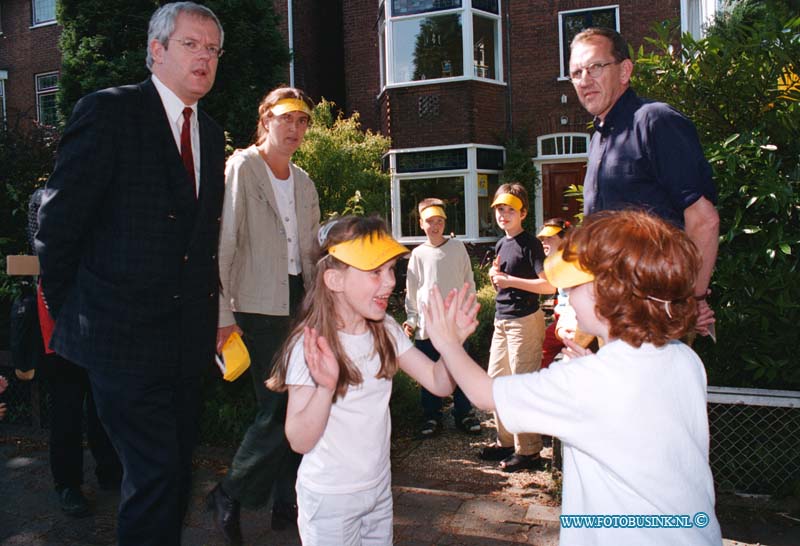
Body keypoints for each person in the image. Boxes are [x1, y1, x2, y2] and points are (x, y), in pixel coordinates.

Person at [34, 3, 226, 545]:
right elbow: (58, 224)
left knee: (176, 472)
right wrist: (76, 313)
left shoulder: (210, 133)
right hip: (118, 340)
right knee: (155, 473)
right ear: (156, 50)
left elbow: (199, 244)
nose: (205, 57)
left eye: (213, 48)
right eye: (192, 44)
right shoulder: (109, 112)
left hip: (186, 345)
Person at [423, 210, 723, 546]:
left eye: (575, 286)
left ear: (607, 295)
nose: (564, 296)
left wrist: (448, 344)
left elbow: (483, 394)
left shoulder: (587, 381)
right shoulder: (684, 360)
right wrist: (595, 365)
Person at [267, 216, 474, 546]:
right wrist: (325, 387)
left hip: (378, 488)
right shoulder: (311, 345)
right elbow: (299, 440)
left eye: (391, 269)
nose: (390, 281)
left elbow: (439, 384)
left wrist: (450, 345)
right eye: (375, 271)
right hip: (331, 499)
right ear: (334, 279)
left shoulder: (385, 328)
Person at [207, 86, 320, 545]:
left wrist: (322, 306)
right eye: (286, 118)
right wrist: (222, 312)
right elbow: (226, 241)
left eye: (302, 121)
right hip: (255, 302)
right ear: (266, 120)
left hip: (299, 300)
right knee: (277, 404)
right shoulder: (244, 167)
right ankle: (229, 493)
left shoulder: (305, 181)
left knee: (304, 400)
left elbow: (313, 253)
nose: (294, 128)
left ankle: (284, 501)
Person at [569, 27, 720, 335]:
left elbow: (703, 220)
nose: (585, 80)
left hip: (656, 317)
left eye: (595, 67)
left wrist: (691, 299)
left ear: (625, 70)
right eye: (576, 73)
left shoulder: (655, 121)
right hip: (611, 315)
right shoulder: (599, 136)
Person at [29, 188, 122, 518]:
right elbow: (46, 254)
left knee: (102, 403)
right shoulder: (42, 198)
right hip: (59, 317)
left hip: (98, 316)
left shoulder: (106, 198)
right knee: (66, 409)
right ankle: (67, 484)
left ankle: (109, 470)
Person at [481, 183, 555, 472]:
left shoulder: (531, 244)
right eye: (500, 209)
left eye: (510, 209)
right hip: (502, 319)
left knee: (520, 386)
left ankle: (530, 452)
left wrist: (510, 281)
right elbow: (503, 276)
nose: (504, 214)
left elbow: (549, 285)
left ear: (523, 212)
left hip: (524, 321)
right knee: (497, 382)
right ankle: (506, 442)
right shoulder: (502, 243)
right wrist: (496, 275)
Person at [403, 198, 480, 437]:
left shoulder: (457, 248)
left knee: (460, 369)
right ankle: (431, 416)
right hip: (428, 326)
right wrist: (412, 319)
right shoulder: (417, 255)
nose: (435, 226)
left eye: (439, 221)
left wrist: (468, 313)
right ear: (421, 224)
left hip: (455, 325)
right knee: (429, 372)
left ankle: (464, 413)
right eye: (429, 222)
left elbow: (469, 282)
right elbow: (413, 290)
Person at [536, 218, 573, 368]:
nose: (544, 242)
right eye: (543, 238)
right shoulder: (557, 262)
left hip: (571, 323)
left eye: (550, 238)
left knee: (542, 354)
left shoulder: (572, 263)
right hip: (561, 320)